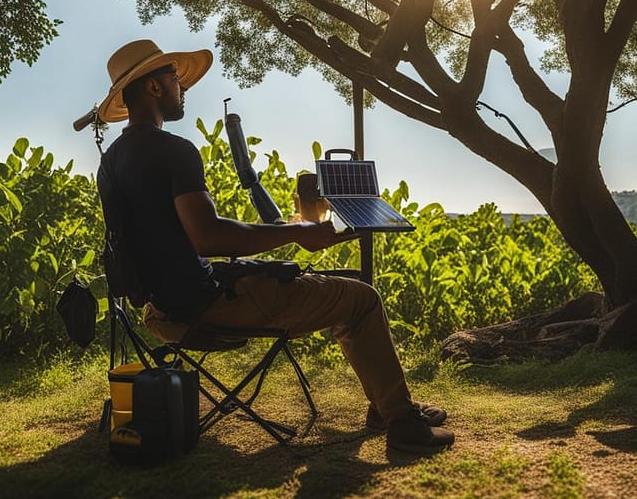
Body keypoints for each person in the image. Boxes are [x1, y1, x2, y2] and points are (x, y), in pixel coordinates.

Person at [95, 39, 455, 454]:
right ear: (154, 88)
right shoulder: (175, 152)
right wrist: (297, 232)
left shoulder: (111, 162)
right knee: (362, 299)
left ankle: (387, 404)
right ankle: (400, 421)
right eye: (174, 78)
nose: (183, 88)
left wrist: (277, 237)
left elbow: (170, 240)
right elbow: (208, 237)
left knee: (302, 280)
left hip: (161, 312)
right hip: (207, 307)